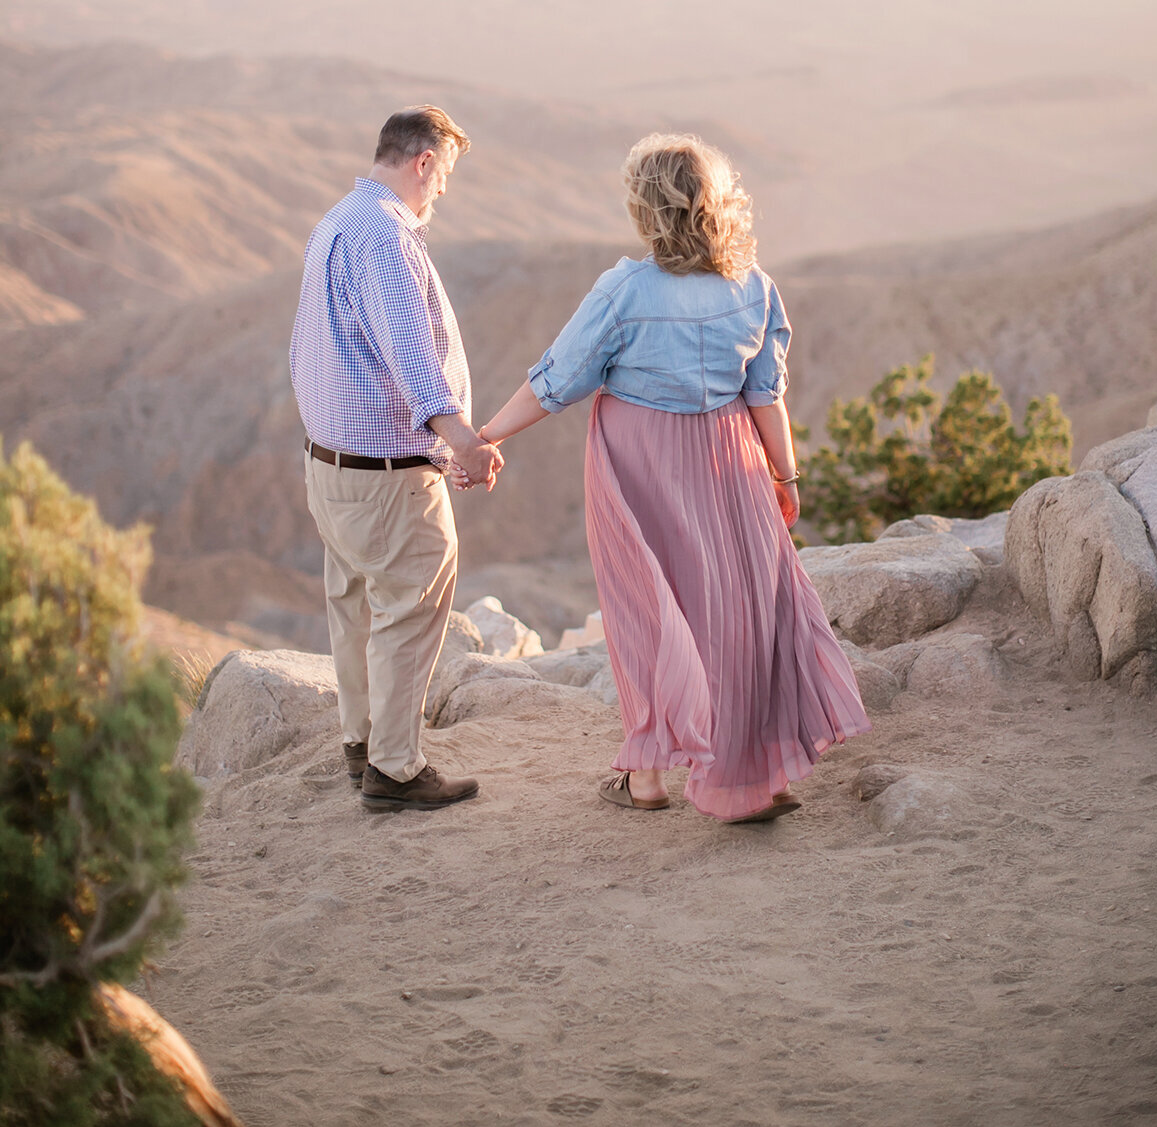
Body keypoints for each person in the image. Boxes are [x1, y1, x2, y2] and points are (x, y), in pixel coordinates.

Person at [478, 133, 869, 823]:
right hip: (732, 458)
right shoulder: (753, 286)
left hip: (642, 465)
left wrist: (485, 438)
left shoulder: (624, 290)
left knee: (647, 612)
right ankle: (753, 777)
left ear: (646, 209)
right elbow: (765, 393)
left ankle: (648, 776)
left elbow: (556, 381)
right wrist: (785, 474)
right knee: (743, 611)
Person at [289, 106, 503, 813]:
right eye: (444, 176)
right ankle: (396, 770)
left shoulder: (337, 221)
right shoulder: (386, 237)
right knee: (411, 605)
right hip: (386, 476)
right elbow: (412, 359)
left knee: (354, 607)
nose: (443, 192)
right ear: (423, 163)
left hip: (331, 466)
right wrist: (464, 442)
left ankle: (362, 745)